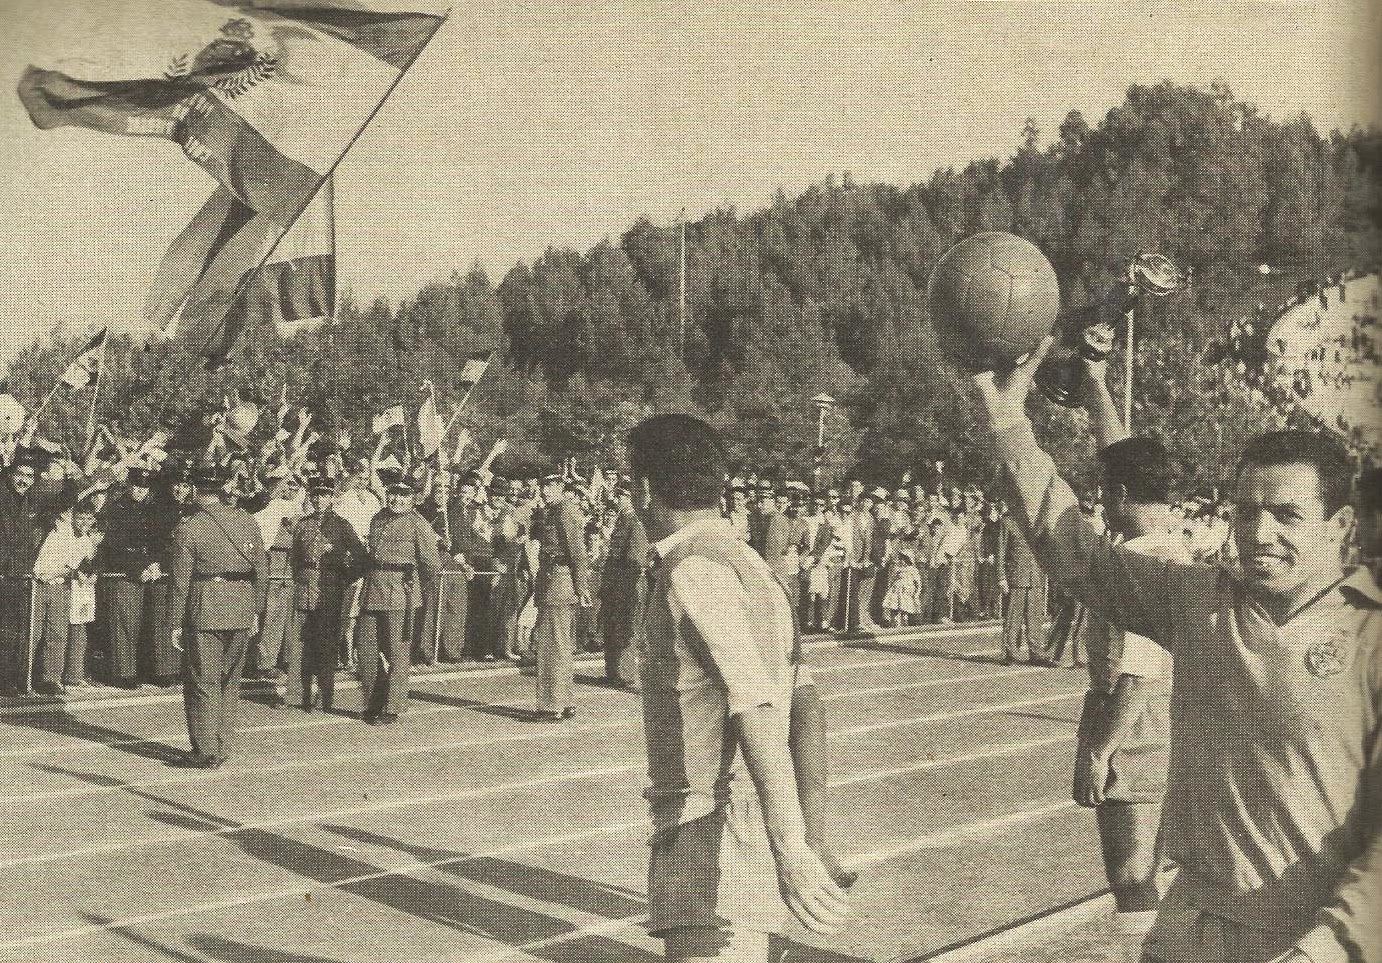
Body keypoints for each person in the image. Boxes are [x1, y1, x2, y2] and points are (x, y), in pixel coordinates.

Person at [972, 337, 1380, 963]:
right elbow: (1074, 547)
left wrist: (1327, 946)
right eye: (1246, 512)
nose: (1258, 532)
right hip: (1192, 919)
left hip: (1310, 936)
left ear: (1339, 527)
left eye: (1285, 515)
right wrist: (1007, 425)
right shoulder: (1199, 601)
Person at [629, 414, 851, 963]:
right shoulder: (755, 566)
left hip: (709, 824)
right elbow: (802, 702)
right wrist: (807, 829)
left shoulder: (693, 572)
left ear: (646, 488)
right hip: (737, 820)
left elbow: (754, 704)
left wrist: (793, 846)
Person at [163, 463, 269, 768]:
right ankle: (222, 745)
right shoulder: (247, 522)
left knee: (202, 680)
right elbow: (261, 571)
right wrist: (256, 611)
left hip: (206, 606)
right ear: (223, 488)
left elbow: (180, 581)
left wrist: (173, 622)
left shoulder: (189, 528)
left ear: (196, 490)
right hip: (241, 606)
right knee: (230, 681)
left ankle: (204, 750)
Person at [357, 476, 441, 724]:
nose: (396, 499)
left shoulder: (419, 524)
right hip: (373, 588)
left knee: (397, 652)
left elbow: (431, 565)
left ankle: (392, 707)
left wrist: (415, 588)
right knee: (366, 649)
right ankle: (374, 699)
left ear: (413, 499)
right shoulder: (379, 518)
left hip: (400, 593)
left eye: (403, 495)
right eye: (393, 493)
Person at [287, 477, 365, 712]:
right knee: (299, 643)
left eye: (325, 495)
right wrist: (300, 578)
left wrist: (343, 578)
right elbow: (295, 559)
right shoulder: (302, 524)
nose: (320, 500)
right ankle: (296, 696)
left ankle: (324, 696)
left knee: (326, 644)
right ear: (311, 497)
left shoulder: (341, 525)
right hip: (304, 588)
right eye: (316, 495)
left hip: (330, 590)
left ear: (332, 498)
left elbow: (362, 557)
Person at [531, 472, 592, 721]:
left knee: (551, 645)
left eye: (551, 486)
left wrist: (582, 587)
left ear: (560, 487)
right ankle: (564, 701)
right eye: (543, 486)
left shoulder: (565, 510)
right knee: (561, 645)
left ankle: (550, 705)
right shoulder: (553, 510)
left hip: (559, 580)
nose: (545, 491)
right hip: (553, 578)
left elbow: (577, 551)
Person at [97, 467, 159, 689]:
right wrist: (138, 567)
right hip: (123, 573)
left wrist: (153, 562)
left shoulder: (148, 509)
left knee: (141, 625)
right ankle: (122, 672)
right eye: (136, 485)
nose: (140, 490)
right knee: (123, 625)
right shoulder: (117, 508)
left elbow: (153, 541)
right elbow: (114, 546)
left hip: (145, 571)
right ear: (128, 485)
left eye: (144, 487)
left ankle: (139, 669)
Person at [31, 497, 100, 695]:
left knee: (58, 634)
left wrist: (89, 573)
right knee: (34, 633)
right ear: (71, 516)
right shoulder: (58, 531)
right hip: (40, 584)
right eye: (80, 518)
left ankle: (51, 680)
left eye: (89, 519)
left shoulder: (87, 541)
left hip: (62, 588)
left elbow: (83, 566)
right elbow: (44, 567)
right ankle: (24, 676)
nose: (84, 523)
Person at [0, 450, 45, 694]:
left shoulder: (31, 501)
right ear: (10, 473)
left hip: (17, 577)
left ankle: (6, 679)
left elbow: (63, 499)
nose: (24, 480)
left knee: (12, 631)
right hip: (2, 573)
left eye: (29, 476)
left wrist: (71, 479)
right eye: (20, 474)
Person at [597, 483, 648, 686]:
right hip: (614, 581)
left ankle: (624, 674)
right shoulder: (622, 519)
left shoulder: (634, 520)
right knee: (611, 625)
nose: (616, 500)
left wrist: (625, 584)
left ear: (629, 497)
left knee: (625, 626)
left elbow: (635, 557)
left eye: (620, 496)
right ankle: (612, 672)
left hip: (626, 582)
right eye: (616, 495)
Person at [999, 504, 1051, 665]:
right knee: (1013, 617)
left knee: (1035, 617)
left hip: (1035, 576)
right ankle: (1010, 652)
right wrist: (1001, 577)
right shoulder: (1008, 522)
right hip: (1016, 575)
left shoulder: (1038, 523)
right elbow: (1001, 551)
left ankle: (1036, 653)